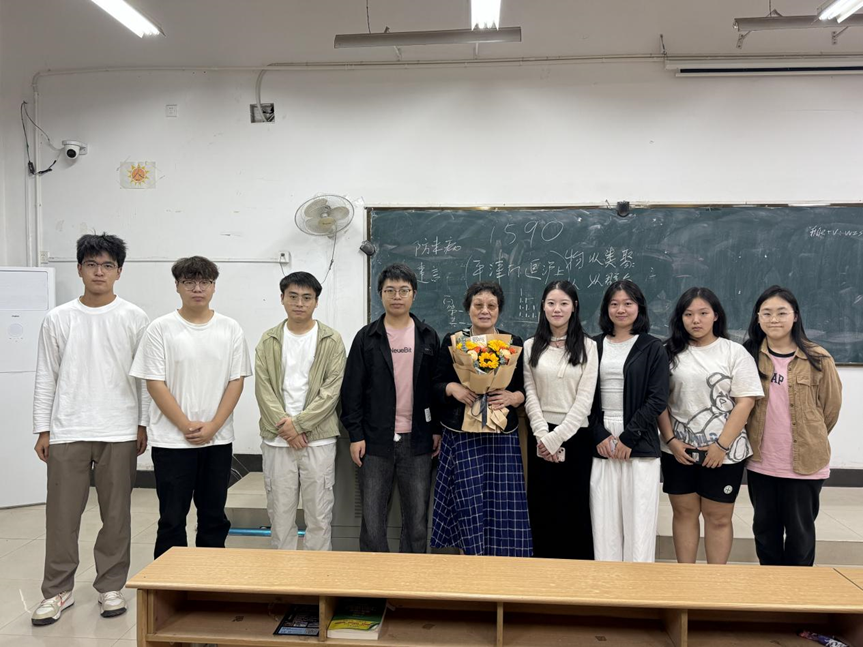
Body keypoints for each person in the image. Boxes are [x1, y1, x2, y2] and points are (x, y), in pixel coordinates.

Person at [30, 233, 149, 626]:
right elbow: (46, 375)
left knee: (116, 515)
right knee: (61, 517)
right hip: (68, 428)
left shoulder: (134, 317)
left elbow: (145, 377)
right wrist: (43, 428)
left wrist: (142, 423)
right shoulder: (58, 318)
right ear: (80, 269)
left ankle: (110, 586)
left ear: (119, 272)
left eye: (108, 265)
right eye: (92, 265)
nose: (100, 272)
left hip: (119, 428)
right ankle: (57, 591)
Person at [130, 256, 251, 559]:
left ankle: (209, 577)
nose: (198, 289)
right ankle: (170, 581)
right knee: (172, 518)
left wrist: (213, 426)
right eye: (189, 282)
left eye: (204, 282)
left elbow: (236, 381)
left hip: (217, 440)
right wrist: (185, 425)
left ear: (213, 286)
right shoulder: (160, 329)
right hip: (171, 441)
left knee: (213, 515)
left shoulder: (230, 329)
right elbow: (155, 383)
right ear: (177, 286)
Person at [658, 287, 763, 564]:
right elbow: (659, 401)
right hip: (678, 450)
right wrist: (670, 441)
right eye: (688, 314)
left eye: (703, 313)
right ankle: (686, 578)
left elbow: (745, 402)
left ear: (716, 315)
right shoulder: (667, 353)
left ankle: (715, 581)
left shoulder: (734, 352)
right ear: (680, 318)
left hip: (724, 453)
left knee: (718, 518)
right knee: (683, 513)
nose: (696, 320)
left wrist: (721, 446)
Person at [341, 263, 440, 553]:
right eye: (390, 290)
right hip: (375, 440)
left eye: (403, 290)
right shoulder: (367, 337)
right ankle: (375, 580)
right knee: (373, 521)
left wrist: (436, 430)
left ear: (414, 294)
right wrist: (356, 435)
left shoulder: (427, 336)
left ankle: (410, 578)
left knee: (417, 522)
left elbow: (435, 388)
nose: (397, 296)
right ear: (380, 294)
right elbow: (351, 391)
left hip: (418, 440)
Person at [743, 285, 842, 566]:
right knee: (765, 533)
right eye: (766, 313)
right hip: (762, 462)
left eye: (781, 312)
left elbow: (830, 409)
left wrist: (809, 436)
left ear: (795, 316)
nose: (774, 319)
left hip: (805, 463)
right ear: (758, 317)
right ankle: (771, 588)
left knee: (800, 535)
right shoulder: (747, 355)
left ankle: (797, 591)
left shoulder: (818, 358)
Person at [430, 281, 531, 556]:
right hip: (462, 434)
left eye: (491, 306)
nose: (484, 311)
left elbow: (525, 389)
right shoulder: (454, 341)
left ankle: (502, 561)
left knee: (502, 499)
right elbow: (435, 385)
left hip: (501, 434)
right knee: (467, 498)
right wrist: (452, 388)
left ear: (499, 310)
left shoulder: (513, 343)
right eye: (478, 305)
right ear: (469, 308)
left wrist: (513, 397)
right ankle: (469, 557)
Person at [254, 271, 345, 551]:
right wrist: (287, 428)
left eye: (307, 297)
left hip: (318, 439)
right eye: (293, 296)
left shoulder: (331, 340)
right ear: (282, 298)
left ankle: (318, 575)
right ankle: (284, 575)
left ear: (316, 301)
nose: (299, 303)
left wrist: (299, 425)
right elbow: (263, 389)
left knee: (319, 515)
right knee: (280, 515)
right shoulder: (268, 340)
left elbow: (331, 391)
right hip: (277, 439)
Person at [589, 280, 669, 562]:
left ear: (639, 307)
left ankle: (638, 585)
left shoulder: (653, 347)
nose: (620, 309)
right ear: (606, 308)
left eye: (627, 303)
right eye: (614, 304)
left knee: (639, 522)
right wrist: (599, 434)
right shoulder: (592, 345)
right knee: (604, 522)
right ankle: (607, 583)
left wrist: (628, 438)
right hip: (601, 440)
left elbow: (657, 398)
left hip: (639, 439)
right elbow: (581, 395)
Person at [523, 280, 598, 559]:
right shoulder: (531, 346)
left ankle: (575, 575)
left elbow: (585, 400)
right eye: (551, 303)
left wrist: (557, 437)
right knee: (542, 506)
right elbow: (530, 392)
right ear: (543, 307)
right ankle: (542, 574)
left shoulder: (589, 346)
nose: (557, 309)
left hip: (576, 436)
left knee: (573, 507)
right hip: (540, 436)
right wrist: (543, 435)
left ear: (574, 307)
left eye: (564, 303)